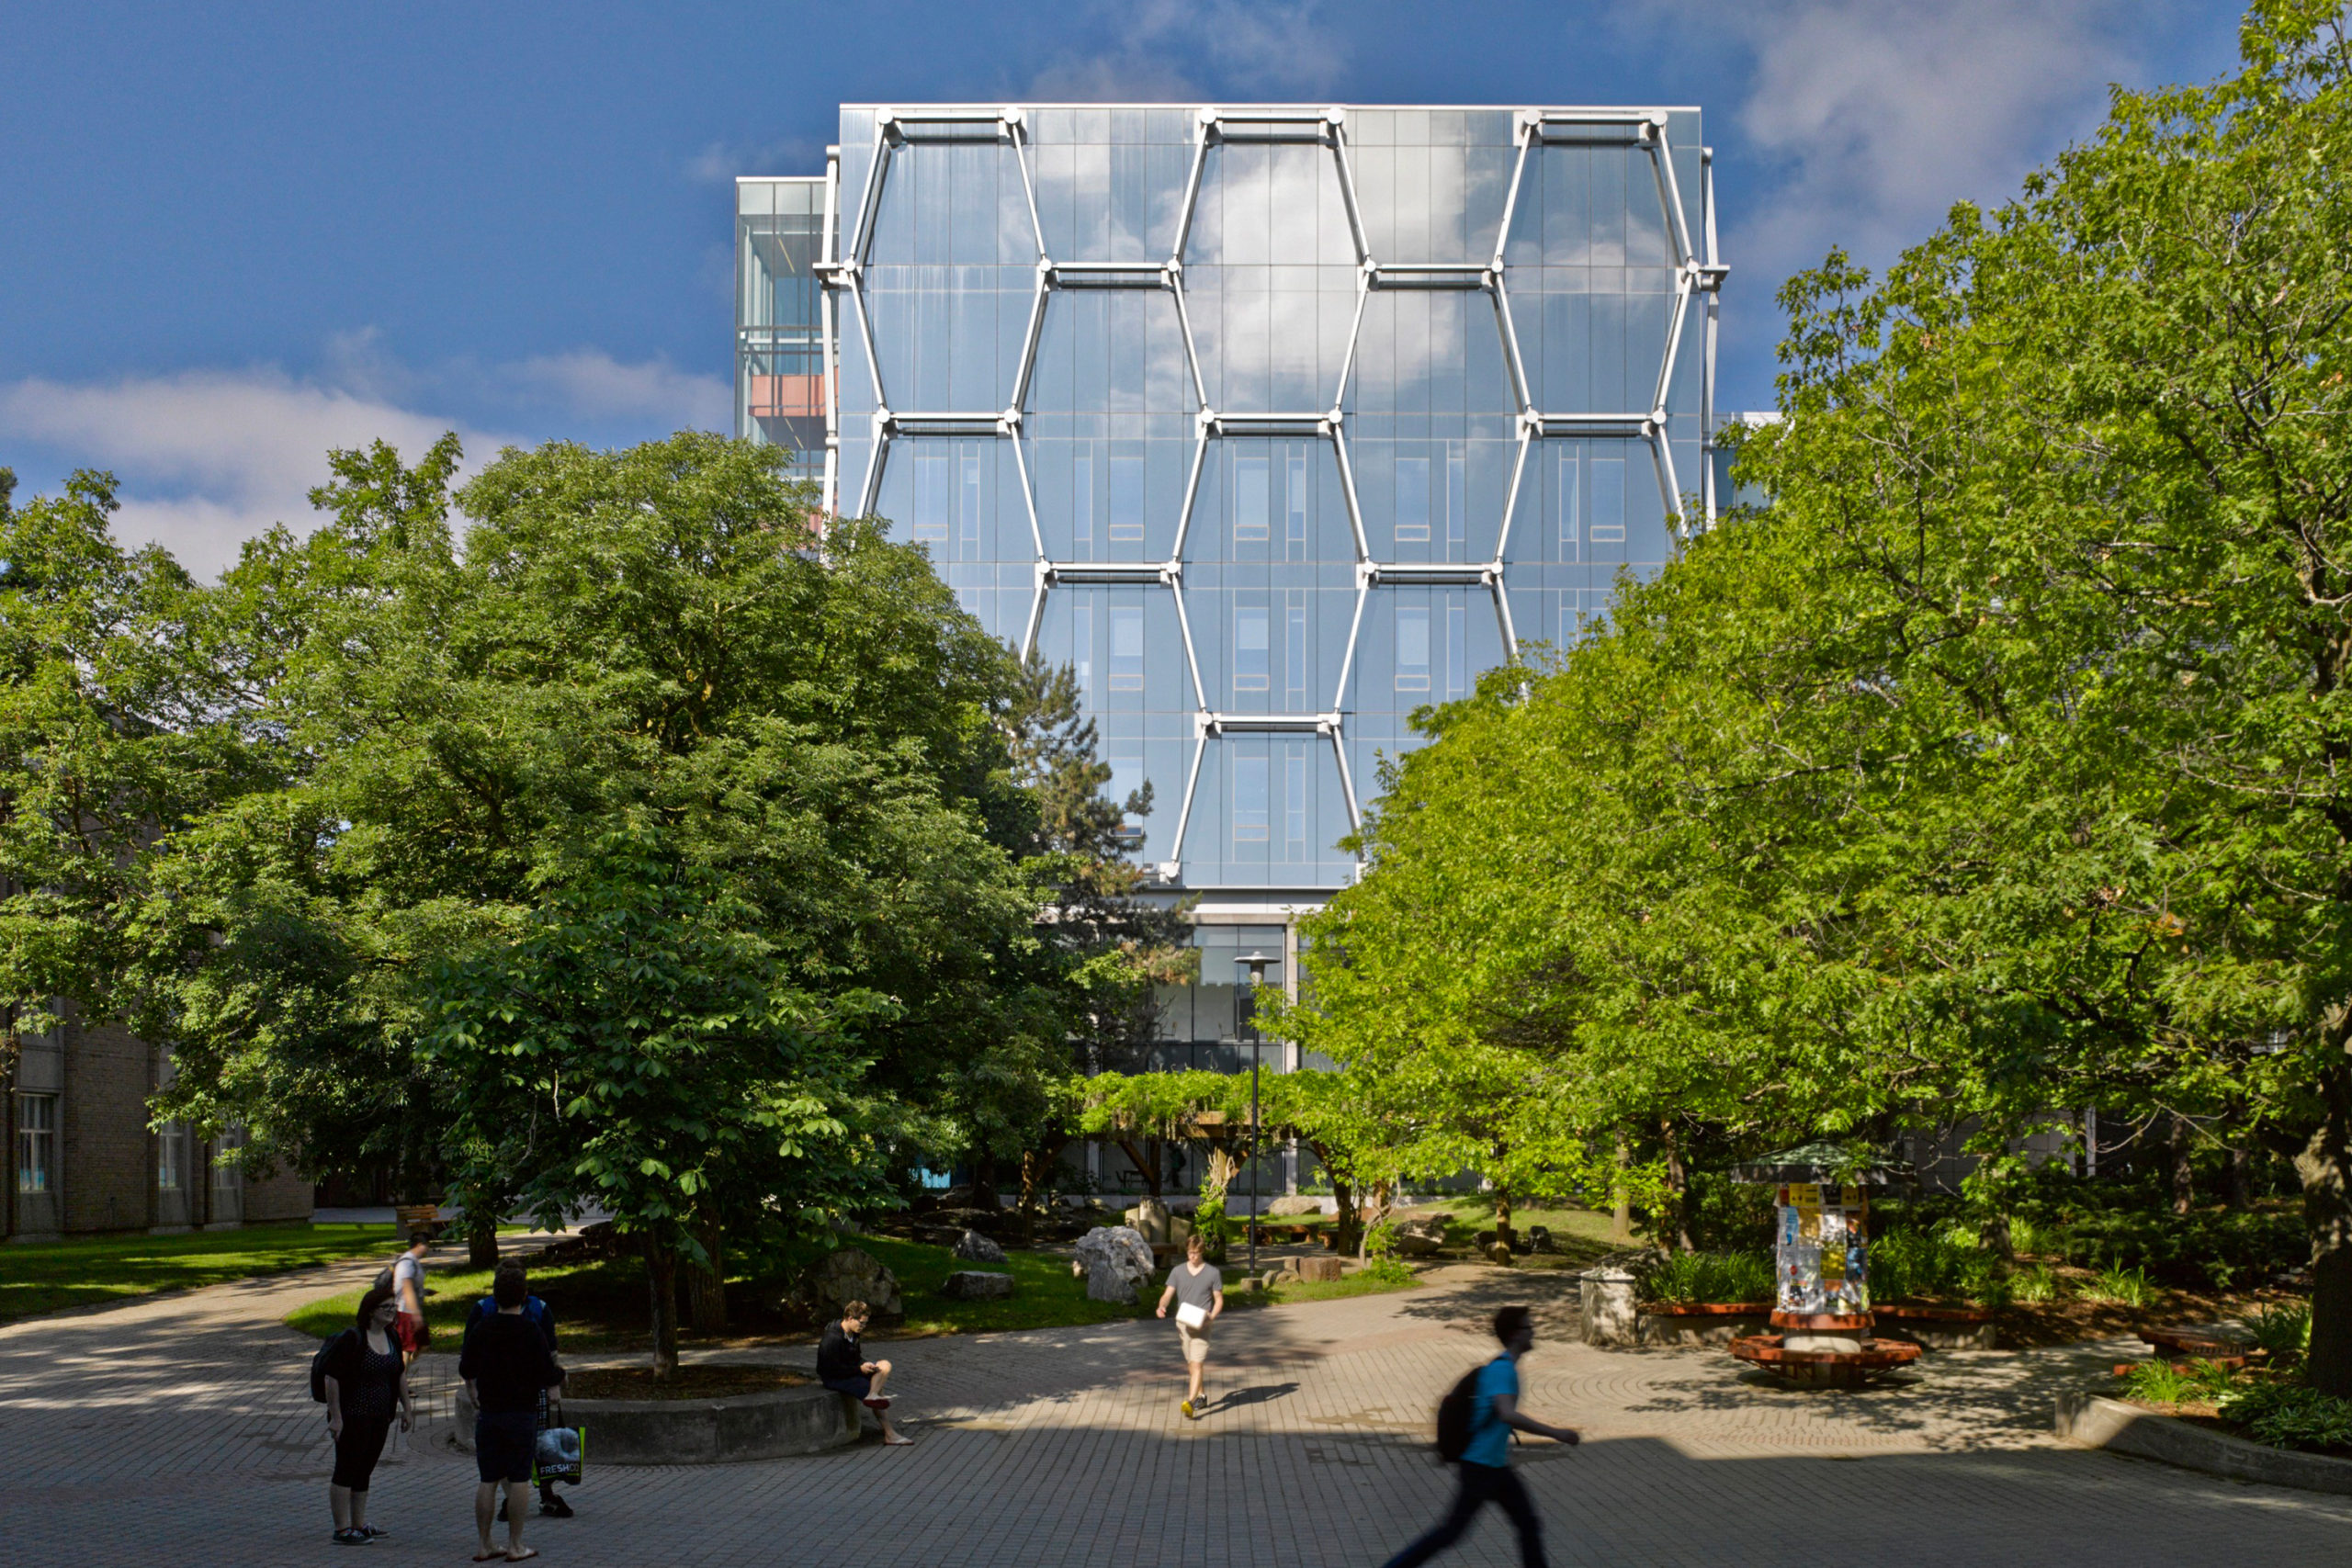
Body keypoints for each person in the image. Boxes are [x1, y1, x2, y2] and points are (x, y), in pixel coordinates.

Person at [1381, 1305, 1578, 1568]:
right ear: (1515, 1334)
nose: (1533, 1333)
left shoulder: (1503, 1368)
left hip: (1494, 1467)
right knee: (1451, 1532)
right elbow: (1507, 1414)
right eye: (1528, 1327)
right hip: (1481, 1468)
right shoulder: (1503, 1371)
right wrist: (1556, 1433)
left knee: (1526, 1524)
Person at [459, 1262, 565, 1562]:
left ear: (495, 1295)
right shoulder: (531, 1330)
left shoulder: (483, 1327)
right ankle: (516, 1544)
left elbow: (466, 1367)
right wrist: (559, 1376)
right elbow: (547, 1371)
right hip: (521, 1413)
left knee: (488, 1478)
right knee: (519, 1478)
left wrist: (476, 1386)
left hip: (489, 1413)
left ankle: (484, 1544)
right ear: (524, 1295)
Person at [323, 1283, 413, 1547]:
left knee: (364, 1470)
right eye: (386, 1308)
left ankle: (358, 1525)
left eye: (393, 1307)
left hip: (380, 1416)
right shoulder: (353, 1339)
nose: (392, 1312)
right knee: (346, 1469)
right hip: (353, 1415)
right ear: (370, 1311)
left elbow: (399, 1373)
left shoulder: (392, 1337)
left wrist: (406, 1408)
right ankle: (341, 1529)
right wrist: (336, 1416)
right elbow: (331, 1377)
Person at [817, 1301, 912, 1446]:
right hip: (835, 1378)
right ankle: (889, 1433)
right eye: (861, 1323)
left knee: (884, 1365)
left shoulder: (853, 1334)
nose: (863, 1327)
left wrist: (864, 1364)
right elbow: (828, 1370)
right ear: (849, 1318)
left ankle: (872, 1395)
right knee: (875, 1388)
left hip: (851, 1371)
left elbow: (856, 1357)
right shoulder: (832, 1339)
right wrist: (858, 1369)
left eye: (865, 1323)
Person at [1154, 1231, 1224, 1418]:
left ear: (1202, 1253)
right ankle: (1201, 1396)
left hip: (1202, 1324)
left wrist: (1212, 1316)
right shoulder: (1177, 1271)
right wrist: (1162, 1306)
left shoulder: (1212, 1273)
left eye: (1196, 1253)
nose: (1192, 1256)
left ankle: (1190, 1402)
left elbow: (1218, 1300)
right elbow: (1168, 1294)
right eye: (1190, 1252)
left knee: (1197, 1363)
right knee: (1192, 1365)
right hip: (1183, 1323)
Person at [390, 1232, 433, 1366]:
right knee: (407, 1349)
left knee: (423, 1345)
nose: (428, 1249)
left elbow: (412, 1286)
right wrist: (415, 1313)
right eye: (427, 1245)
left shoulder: (414, 1261)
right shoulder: (407, 1263)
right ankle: (399, 1381)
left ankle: (400, 1375)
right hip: (406, 1311)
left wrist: (424, 1292)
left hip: (412, 1310)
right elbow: (407, 1288)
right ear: (420, 1245)